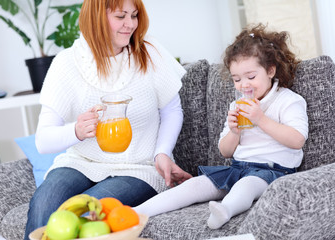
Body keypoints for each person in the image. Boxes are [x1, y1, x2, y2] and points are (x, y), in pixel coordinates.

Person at [24, 0, 192, 239]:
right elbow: (43, 141)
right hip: (80, 162)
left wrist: (162, 153)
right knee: (45, 202)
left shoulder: (149, 51)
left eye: (134, 15)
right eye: (121, 16)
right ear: (97, 17)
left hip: (139, 168)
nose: (130, 24)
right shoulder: (67, 63)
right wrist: (77, 131)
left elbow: (172, 110)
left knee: (90, 213)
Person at [134, 23, 309, 229]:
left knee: (246, 185)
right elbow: (225, 151)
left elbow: (297, 140)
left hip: (273, 172)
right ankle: (135, 212)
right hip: (238, 168)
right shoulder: (237, 105)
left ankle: (225, 211)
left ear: (270, 70)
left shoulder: (288, 101)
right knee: (195, 185)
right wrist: (234, 132)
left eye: (251, 77)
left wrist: (261, 119)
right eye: (237, 79)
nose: (244, 85)